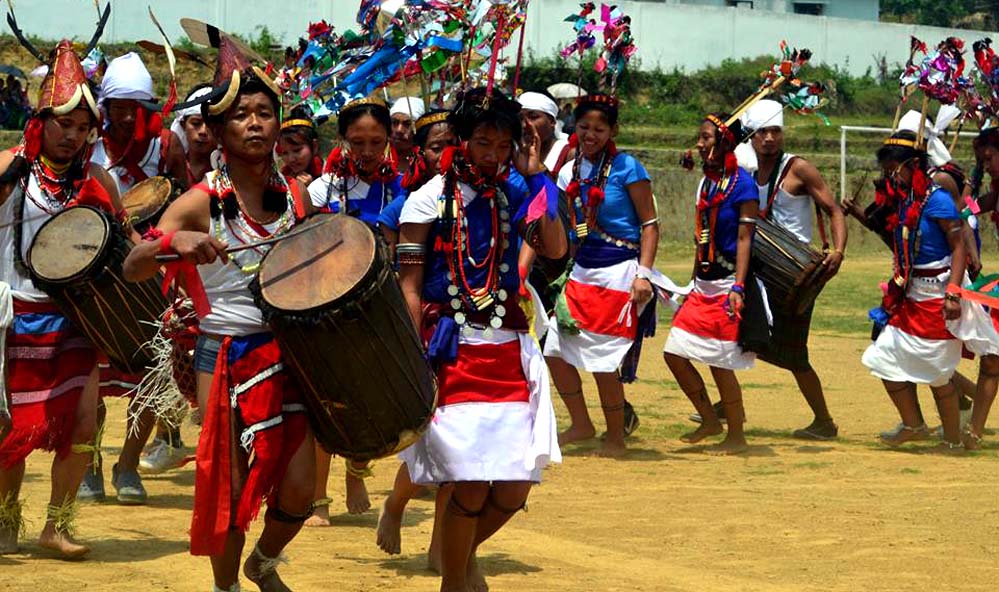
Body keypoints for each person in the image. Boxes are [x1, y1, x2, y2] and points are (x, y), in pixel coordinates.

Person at [122, 36, 317, 591]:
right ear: (219, 130)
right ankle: (226, 586)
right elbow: (135, 265)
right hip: (223, 353)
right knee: (229, 482)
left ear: (279, 126)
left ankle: (263, 562)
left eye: (264, 113)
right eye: (240, 115)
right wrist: (174, 243)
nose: (254, 123)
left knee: (301, 485)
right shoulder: (200, 201)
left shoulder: (300, 198)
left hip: (293, 352)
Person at [396, 85, 566, 592]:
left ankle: (461, 558)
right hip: (453, 353)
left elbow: (554, 248)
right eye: (483, 144)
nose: (492, 156)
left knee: (514, 489)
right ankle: (454, 581)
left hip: (509, 351)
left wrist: (537, 176)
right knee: (469, 486)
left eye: (502, 146)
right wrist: (412, 356)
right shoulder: (427, 198)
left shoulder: (517, 189)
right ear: (461, 140)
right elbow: (408, 286)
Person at [0, 39, 125, 558]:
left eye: (82, 127)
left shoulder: (99, 181)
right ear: (40, 119)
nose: (72, 135)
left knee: (82, 424)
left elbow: (121, 246)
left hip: (76, 319)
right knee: (11, 431)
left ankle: (58, 524)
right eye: (62, 123)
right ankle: (5, 523)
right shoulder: (11, 169)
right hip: (14, 317)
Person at [79, 51, 191, 505]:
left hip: (152, 272)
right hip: (95, 274)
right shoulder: (90, 147)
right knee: (89, 377)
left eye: (135, 107)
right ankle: (88, 464)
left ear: (147, 108)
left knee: (152, 374)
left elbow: (183, 198)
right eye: (117, 107)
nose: (126, 116)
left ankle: (128, 464)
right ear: (105, 108)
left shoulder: (165, 147)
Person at [842, 110, 982, 438]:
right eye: (888, 170)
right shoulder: (908, 201)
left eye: (895, 169)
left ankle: (951, 440)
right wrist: (861, 215)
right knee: (882, 357)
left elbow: (958, 246)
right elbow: (895, 240)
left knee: (938, 374)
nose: (891, 176)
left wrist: (952, 293)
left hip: (938, 294)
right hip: (909, 295)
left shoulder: (938, 201)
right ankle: (914, 425)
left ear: (913, 165)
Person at [306, 98, 405, 524]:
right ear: (342, 141)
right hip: (326, 307)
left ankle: (356, 473)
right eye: (358, 141)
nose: (367, 151)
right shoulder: (321, 189)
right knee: (326, 402)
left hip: (379, 307)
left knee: (369, 400)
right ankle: (317, 499)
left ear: (388, 142)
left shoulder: (403, 188)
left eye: (376, 142)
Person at [543, 94, 658, 457]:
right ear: (573, 128)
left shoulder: (628, 167)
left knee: (603, 360)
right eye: (584, 128)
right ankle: (581, 423)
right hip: (582, 272)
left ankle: (616, 437)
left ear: (613, 131)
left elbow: (650, 225)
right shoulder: (568, 171)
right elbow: (565, 222)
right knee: (554, 351)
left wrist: (644, 274)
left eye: (599, 129)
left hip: (619, 272)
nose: (590, 135)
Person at [726, 99, 848, 440]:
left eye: (775, 131)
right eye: (762, 132)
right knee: (732, 333)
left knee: (795, 355)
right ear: (751, 136)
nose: (769, 138)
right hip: (758, 268)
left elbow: (834, 210)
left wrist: (838, 251)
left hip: (795, 272)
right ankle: (727, 404)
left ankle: (824, 421)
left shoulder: (799, 169)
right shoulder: (747, 172)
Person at [375, 108, 458, 567]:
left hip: (479, 329)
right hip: (429, 325)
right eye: (434, 146)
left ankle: (441, 550)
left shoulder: (480, 192)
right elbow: (400, 269)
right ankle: (396, 504)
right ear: (419, 154)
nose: (444, 154)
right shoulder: (412, 202)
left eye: (452, 144)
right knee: (436, 441)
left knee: (462, 450)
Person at [663, 113, 760, 455]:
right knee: (674, 353)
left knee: (721, 363)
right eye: (700, 138)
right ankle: (709, 418)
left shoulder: (743, 185)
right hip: (703, 285)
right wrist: (691, 281)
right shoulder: (706, 183)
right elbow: (699, 236)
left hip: (726, 285)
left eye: (706, 138)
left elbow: (745, 238)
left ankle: (737, 435)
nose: (700, 144)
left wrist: (738, 286)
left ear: (724, 144)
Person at [139, 83, 220, 476]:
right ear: (182, 127)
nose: (202, 132)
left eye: (208, 124)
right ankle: (168, 437)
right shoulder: (169, 170)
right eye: (194, 124)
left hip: (218, 274)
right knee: (172, 352)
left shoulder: (232, 173)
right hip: (172, 269)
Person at [277, 104, 323, 186]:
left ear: (314, 146)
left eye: (297, 150)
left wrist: (313, 188)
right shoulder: (280, 180)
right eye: (284, 153)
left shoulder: (329, 176)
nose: (291, 159)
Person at [389, 96, 426, 177]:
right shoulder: (377, 158)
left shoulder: (426, 165)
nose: (399, 130)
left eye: (407, 124)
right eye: (394, 122)